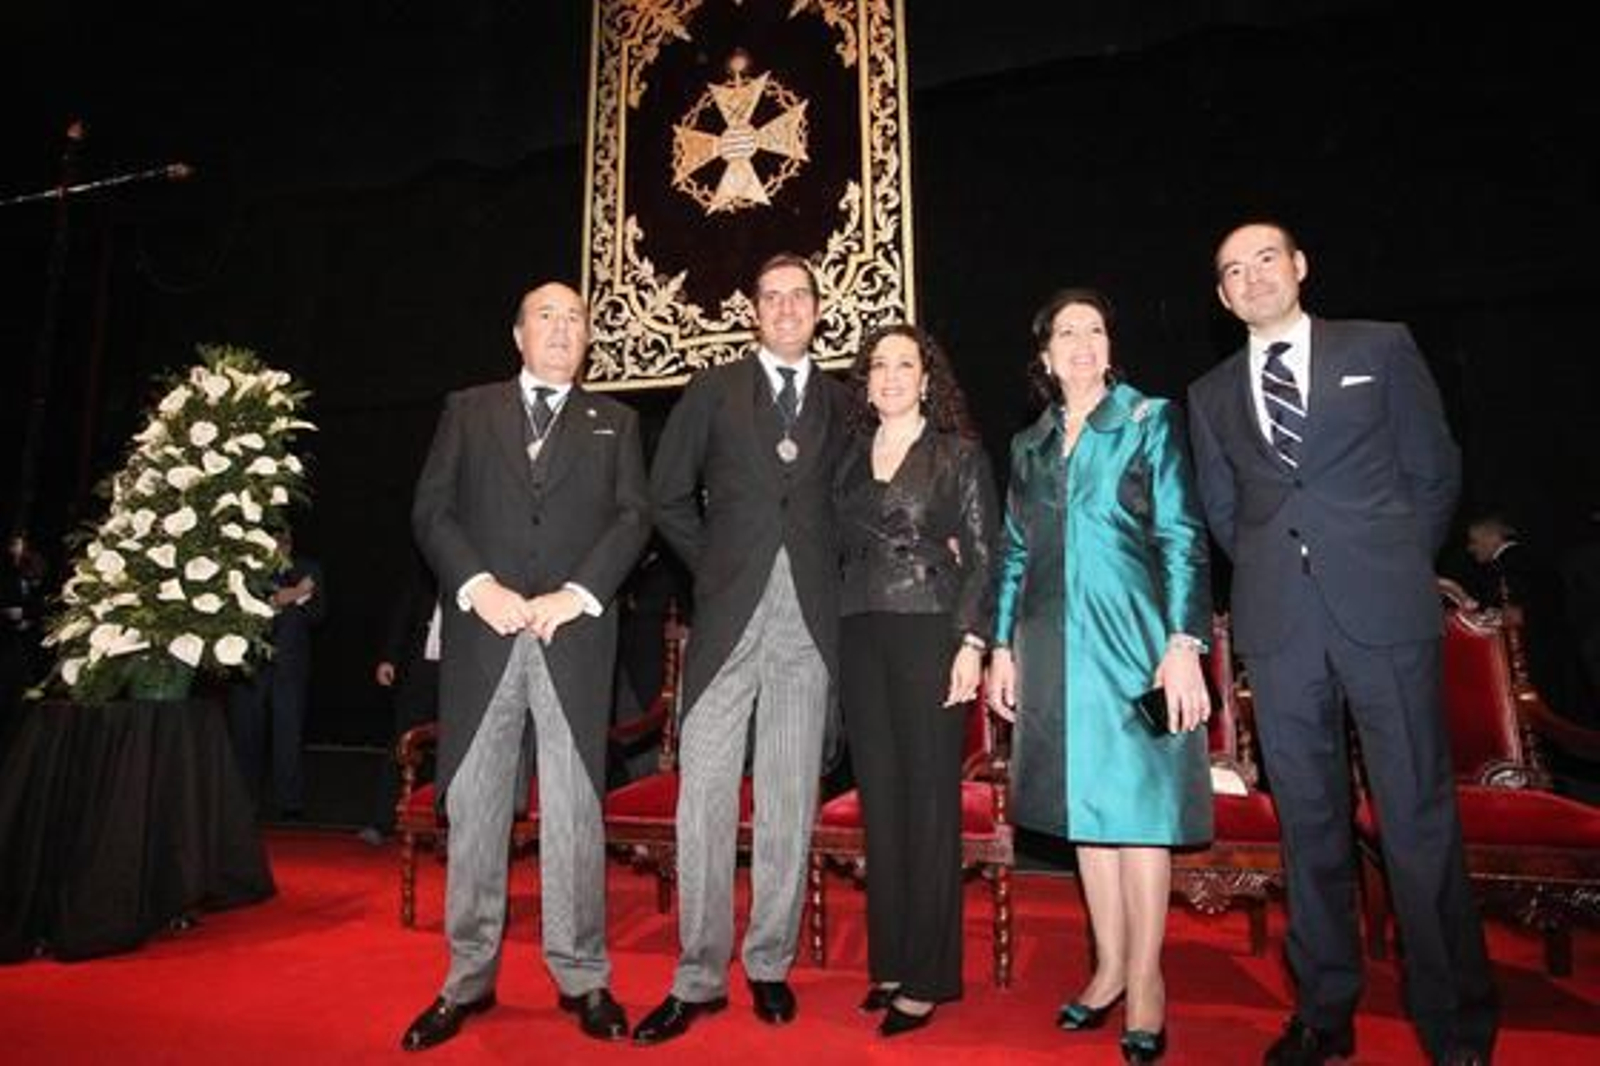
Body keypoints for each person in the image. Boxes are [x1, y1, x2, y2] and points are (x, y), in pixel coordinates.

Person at [1186, 220, 1496, 1066]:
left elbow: (1434, 471)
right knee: (1310, 825)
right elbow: (1225, 513)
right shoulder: (1210, 394)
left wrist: (1388, 560)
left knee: (1417, 819)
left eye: (1264, 260)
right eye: (1231, 271)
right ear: (1220, 296)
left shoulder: (1381, 347)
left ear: (1299, 266)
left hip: (1385, 615)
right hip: (1280, 628)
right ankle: (1325, 1010)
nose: (1250, 277)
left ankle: (1457, 1023)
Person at [402, 281, 651, 1050]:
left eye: (575, 318)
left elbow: (634, 517)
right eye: (546, 315)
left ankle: (583, 976)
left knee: (576, 814)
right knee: (476, 813)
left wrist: (578, 593)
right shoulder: (468, 411)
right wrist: (478, 586)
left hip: (574, 643)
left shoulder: (617, 421)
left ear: (587, 339)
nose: (561, 328)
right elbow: (431, 511)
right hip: (486, 638)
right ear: (517, 334)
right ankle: (466, 979)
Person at [987, 287, 1213, 1066]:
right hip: (1052, 648)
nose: (1081, 343)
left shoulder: (1148, 422)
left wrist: (1184, 643)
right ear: (1045, 356)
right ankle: (1108, 967)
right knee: (1089, 806)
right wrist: (1001, 647)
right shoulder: (1029, 445)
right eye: (1065, 333)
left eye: (1094, 330)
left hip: (1137, 644)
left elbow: (1182, 534)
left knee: (1139, 812)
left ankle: (1146, 981)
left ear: (1109, 348)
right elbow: (1013, 553)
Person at [634, 252, 853, 1045]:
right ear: (753, 310)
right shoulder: (712, 389)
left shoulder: (841, 401)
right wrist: (718, 568)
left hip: (809, 630)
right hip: (727, 622)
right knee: (704, 801)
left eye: (800, 296)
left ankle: (768, 964)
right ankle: (697, 976)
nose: (788, 307)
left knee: (790, 803)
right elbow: (665, 497)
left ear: (817, 310)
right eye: (773, 297)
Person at [834, 324, 999, 1037]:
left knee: (929, 801)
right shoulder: (843, 459)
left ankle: (930, 976)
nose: (892, 376)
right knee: (881, 800)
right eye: (880, 365)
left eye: (906, 364)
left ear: (928, 380)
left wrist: (973, 641)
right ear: (866, 382)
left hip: (931, 628)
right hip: (858, 631)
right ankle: (892, 963)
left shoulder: (958, 455)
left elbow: (988, 556)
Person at [226, 526, 325, 820]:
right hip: (250, 668)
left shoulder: (309, 569)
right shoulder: (245, 569)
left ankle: (290, 803)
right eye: (275, 540)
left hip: (291, 667)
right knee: (246, 734)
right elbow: (253, 606)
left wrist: (301, 598)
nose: (282, 545)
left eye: (286, 540)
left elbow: (320, 615)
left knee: (289, 734)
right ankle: (244, 801)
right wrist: (296, 593)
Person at [358, 552, 441, 846]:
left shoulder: (476, 583)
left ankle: (442, 825)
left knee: (453, 750)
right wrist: (388, 659)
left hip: (459, 675)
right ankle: (382, 822)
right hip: (420, 671)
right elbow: (402, 617)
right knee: (402, 743)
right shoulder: (423, 577)